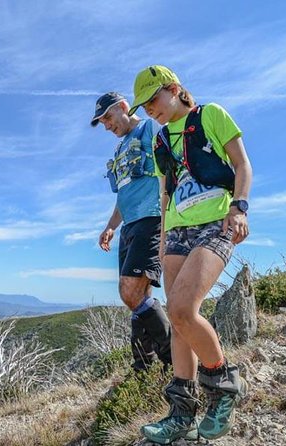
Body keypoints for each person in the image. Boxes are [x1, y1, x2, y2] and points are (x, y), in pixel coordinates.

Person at [127, 66, 252, 443]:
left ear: (175, 89)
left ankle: (224, 387)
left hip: (216, 222)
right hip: (176, 232)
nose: (150, 110)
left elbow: (241, 164)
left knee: (181, 309)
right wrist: (163, 240)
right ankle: (181, 412)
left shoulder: (210, 114)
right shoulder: (161, 141)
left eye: (153, 100)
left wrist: (241, 208)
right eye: (144, 106)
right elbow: (165, 193)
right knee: (180, 320)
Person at [91, 92, 172, 372]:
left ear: (124, 107)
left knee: (129, 292)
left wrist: (168, 218)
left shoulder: (150, 129)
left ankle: (175, 360)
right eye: (103, 123)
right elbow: (123, 193)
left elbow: (167, 172)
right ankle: (143, 365)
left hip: (151, 218)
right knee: (138, 295)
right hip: (129, 225)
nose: (107, 126)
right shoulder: (120, 148)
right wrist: (111, 226)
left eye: (109, 118)